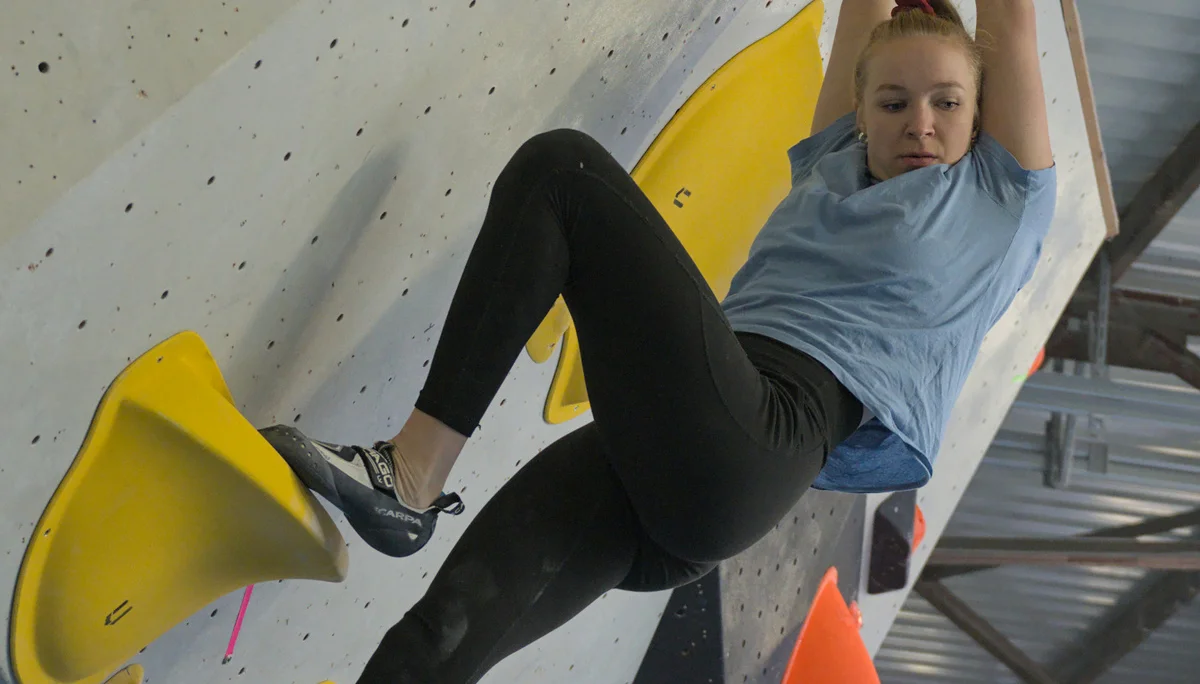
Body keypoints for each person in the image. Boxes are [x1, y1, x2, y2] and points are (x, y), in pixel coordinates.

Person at [260, 0, 1056, 680]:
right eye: (892, 102)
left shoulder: (999, 206)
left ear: (981, 116)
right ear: (863, 110)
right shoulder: (835, 162)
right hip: (680, 465)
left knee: (563, 174)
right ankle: (407, 498)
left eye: (947, 104)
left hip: (761, 441)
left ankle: (412, 473)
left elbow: (1011, 26)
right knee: (436, 644)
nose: (918, 121)